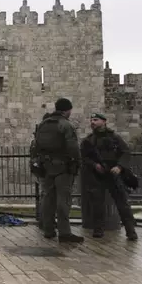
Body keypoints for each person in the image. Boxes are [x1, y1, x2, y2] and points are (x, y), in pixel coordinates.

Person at [80, 113, 137, 240]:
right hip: (97, 175)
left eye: (96, 120)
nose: (92, 122)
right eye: (91, 120)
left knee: (122, 203)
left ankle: (130, 230)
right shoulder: (89, 140)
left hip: (113, 174)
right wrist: (95, 165)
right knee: (97, 203)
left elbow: (125, 152)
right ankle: (98, 229)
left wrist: (119, 167)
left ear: (104, 122)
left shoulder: (114, 137)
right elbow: (84, 157)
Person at [34, 98, 84, 243]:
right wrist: (77, 162)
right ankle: (65, 232)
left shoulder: (43, 124)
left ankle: (48, 230)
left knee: (48, 198)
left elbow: (37, 145)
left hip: (47, 166)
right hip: (63, 167)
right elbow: (73, 147)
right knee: (63, 200)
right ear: (67, 110)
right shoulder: (65, 125)